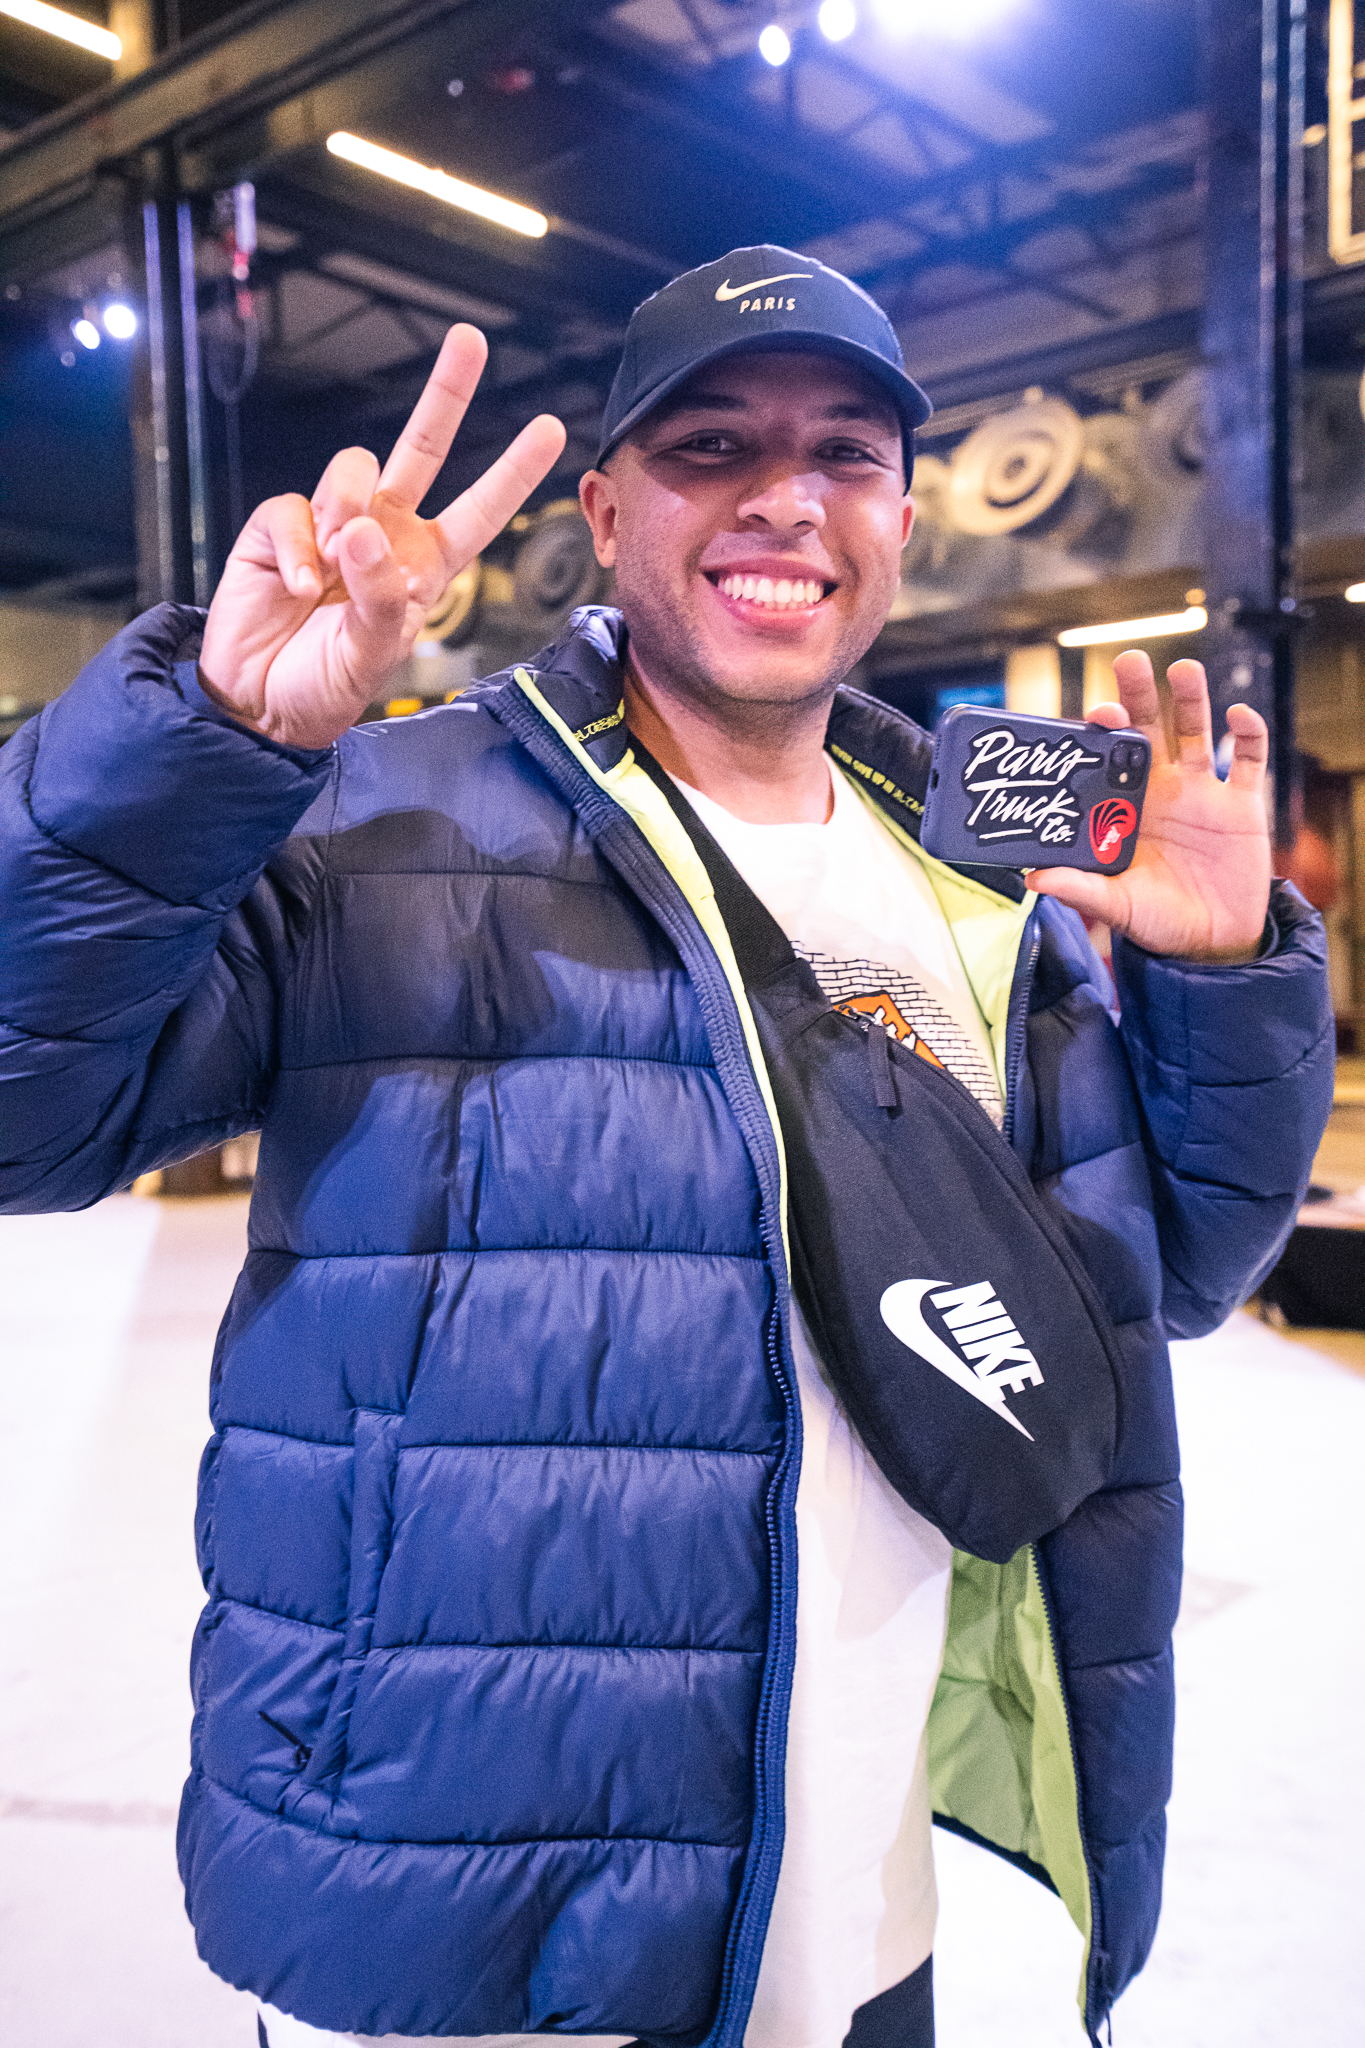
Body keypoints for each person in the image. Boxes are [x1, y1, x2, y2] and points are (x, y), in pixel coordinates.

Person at [0, 247, 1333, 2048]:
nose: (785, 496)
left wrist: (1218, 976)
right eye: (713, 445)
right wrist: (205, 741)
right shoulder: (375, 818)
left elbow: (1156, 1283)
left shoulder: (984, 873)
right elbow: (28, 1119)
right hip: (456, 1895)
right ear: (607, 515)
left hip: (852, 1888)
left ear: (901, 519)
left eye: (845, 452)